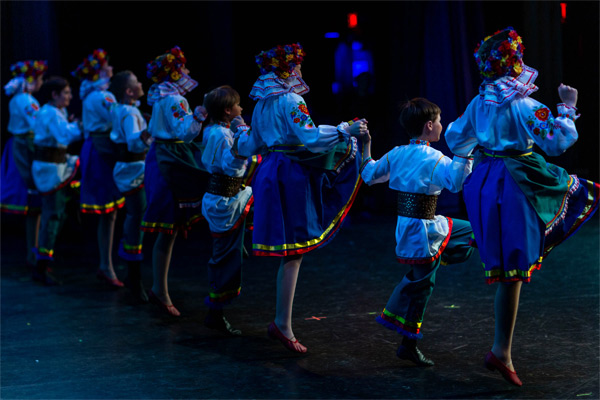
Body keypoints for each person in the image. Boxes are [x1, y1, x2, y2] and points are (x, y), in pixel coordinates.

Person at [445, 27, 599, 386]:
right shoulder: (524, 104)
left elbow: (455, 137)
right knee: (514, 268)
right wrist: (569, 107)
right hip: (515, 181)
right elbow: (558, 141)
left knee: (507, 269)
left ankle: (502, 348)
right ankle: (501, 350)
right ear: (514, 63)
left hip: (485, 181)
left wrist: (472, 157)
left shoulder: (479, 102)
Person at [233, 43, 368, 353]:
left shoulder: (263, 104)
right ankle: (282, 324)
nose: (301, 70)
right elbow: (308, 136)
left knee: (291, 252)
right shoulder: (291, 100)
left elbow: (250, 145)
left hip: (269, 172)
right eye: (299, 65)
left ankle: (282, 321)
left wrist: (239, 131)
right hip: (289, 173)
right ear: (289, 69)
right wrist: (345, 129)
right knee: (293, 251)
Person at [360, 98, 474, 366]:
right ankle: (408, 345)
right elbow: (456, 183)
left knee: (471, 231)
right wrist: (464, 150)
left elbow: (369, 174)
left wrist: (366, 143)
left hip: (417, 224)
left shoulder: (397, 153)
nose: (442, 126)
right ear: (429, 125)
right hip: (422, 229)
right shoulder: (433, 158)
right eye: (440, 121)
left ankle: (499, 264)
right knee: (422, 285)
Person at [142, 46, 208, 317]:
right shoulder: (173, 100)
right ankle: (160, 289)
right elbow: (186, 131)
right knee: (167, 226)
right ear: (175, 71)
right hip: (171, 158)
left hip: (162, 156)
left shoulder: (162, 98)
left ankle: (160, 287)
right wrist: (200, 116)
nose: (188, 72)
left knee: (168, 230)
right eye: (184, 67)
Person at [200, 85, 254, 335]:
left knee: (225, 253)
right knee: (222, 258)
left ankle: (217, 310)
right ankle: (215, 313)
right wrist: (241, 144)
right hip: (225, 200)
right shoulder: (222, 134)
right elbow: (231, 167)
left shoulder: (212, 130)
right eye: (238, 106)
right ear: (227, 111)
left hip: (222, 197)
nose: (242, 109)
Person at [72, 49, 125, 288]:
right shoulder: (101, 96)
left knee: (110, 213)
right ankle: (106, 264)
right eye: (107, 68)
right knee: (108, 211)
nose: (111, 70)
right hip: (101, 149)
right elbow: (118, 118)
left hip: (99, 147)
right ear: (100, 73)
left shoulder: (94, 96)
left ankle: (107, 264)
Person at [31, 76, 83, 285]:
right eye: (66, 93)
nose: (70, 96)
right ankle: (41, 266)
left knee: (57, 214)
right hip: (50, 169)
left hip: (56, 166)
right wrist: (79, 125)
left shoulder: (56, 112)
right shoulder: (50, 113)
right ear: (54, 95)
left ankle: (44, 259)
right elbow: (63, 136)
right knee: (52, 215)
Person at [108, 70, 152, 302]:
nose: (141, 84)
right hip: (132, 170)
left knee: (137, 216)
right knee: (136, 217)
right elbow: (134, 142)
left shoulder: (122, 109)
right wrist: (151, 130)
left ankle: (133, 273)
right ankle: (134, 277)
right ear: (128, 91)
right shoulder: (128, 111)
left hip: (133, 168)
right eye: (136, 83)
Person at [1, 60, 47, 268]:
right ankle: (34, 249)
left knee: (33, 204)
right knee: (32, 197)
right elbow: (36, 123)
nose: (41, 82)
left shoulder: (22, 99)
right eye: (39, 78)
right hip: (24, 148)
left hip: (23, 145)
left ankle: (34, 248)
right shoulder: (25, 100)